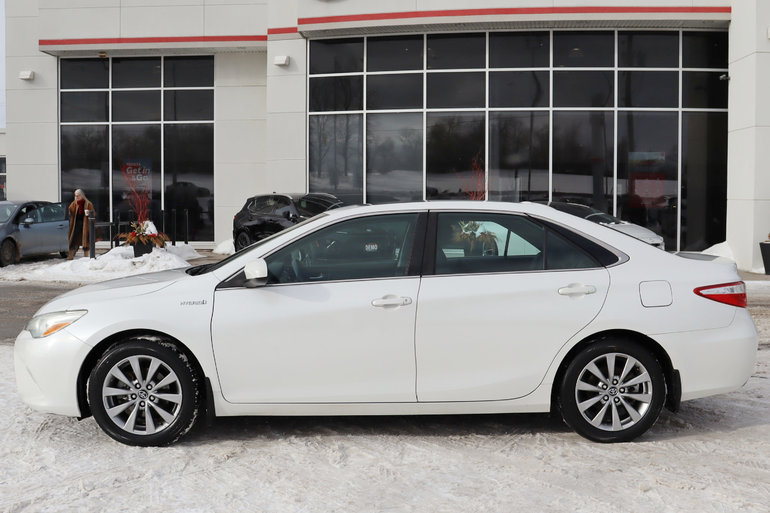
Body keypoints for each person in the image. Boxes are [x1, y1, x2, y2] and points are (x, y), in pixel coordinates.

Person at [67, 189, 94, 259]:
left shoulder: (88, 204)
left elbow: (93, 213)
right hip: (76, 223)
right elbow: (69, 210)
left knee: (86, 239)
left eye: (78, 195)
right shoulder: (74, 203)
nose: (76, 197)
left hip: (85, 224)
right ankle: (70, 255)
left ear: (82, 195)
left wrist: (89, 213)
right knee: (73, 238)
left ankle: (86, 255)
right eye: (75, 196)